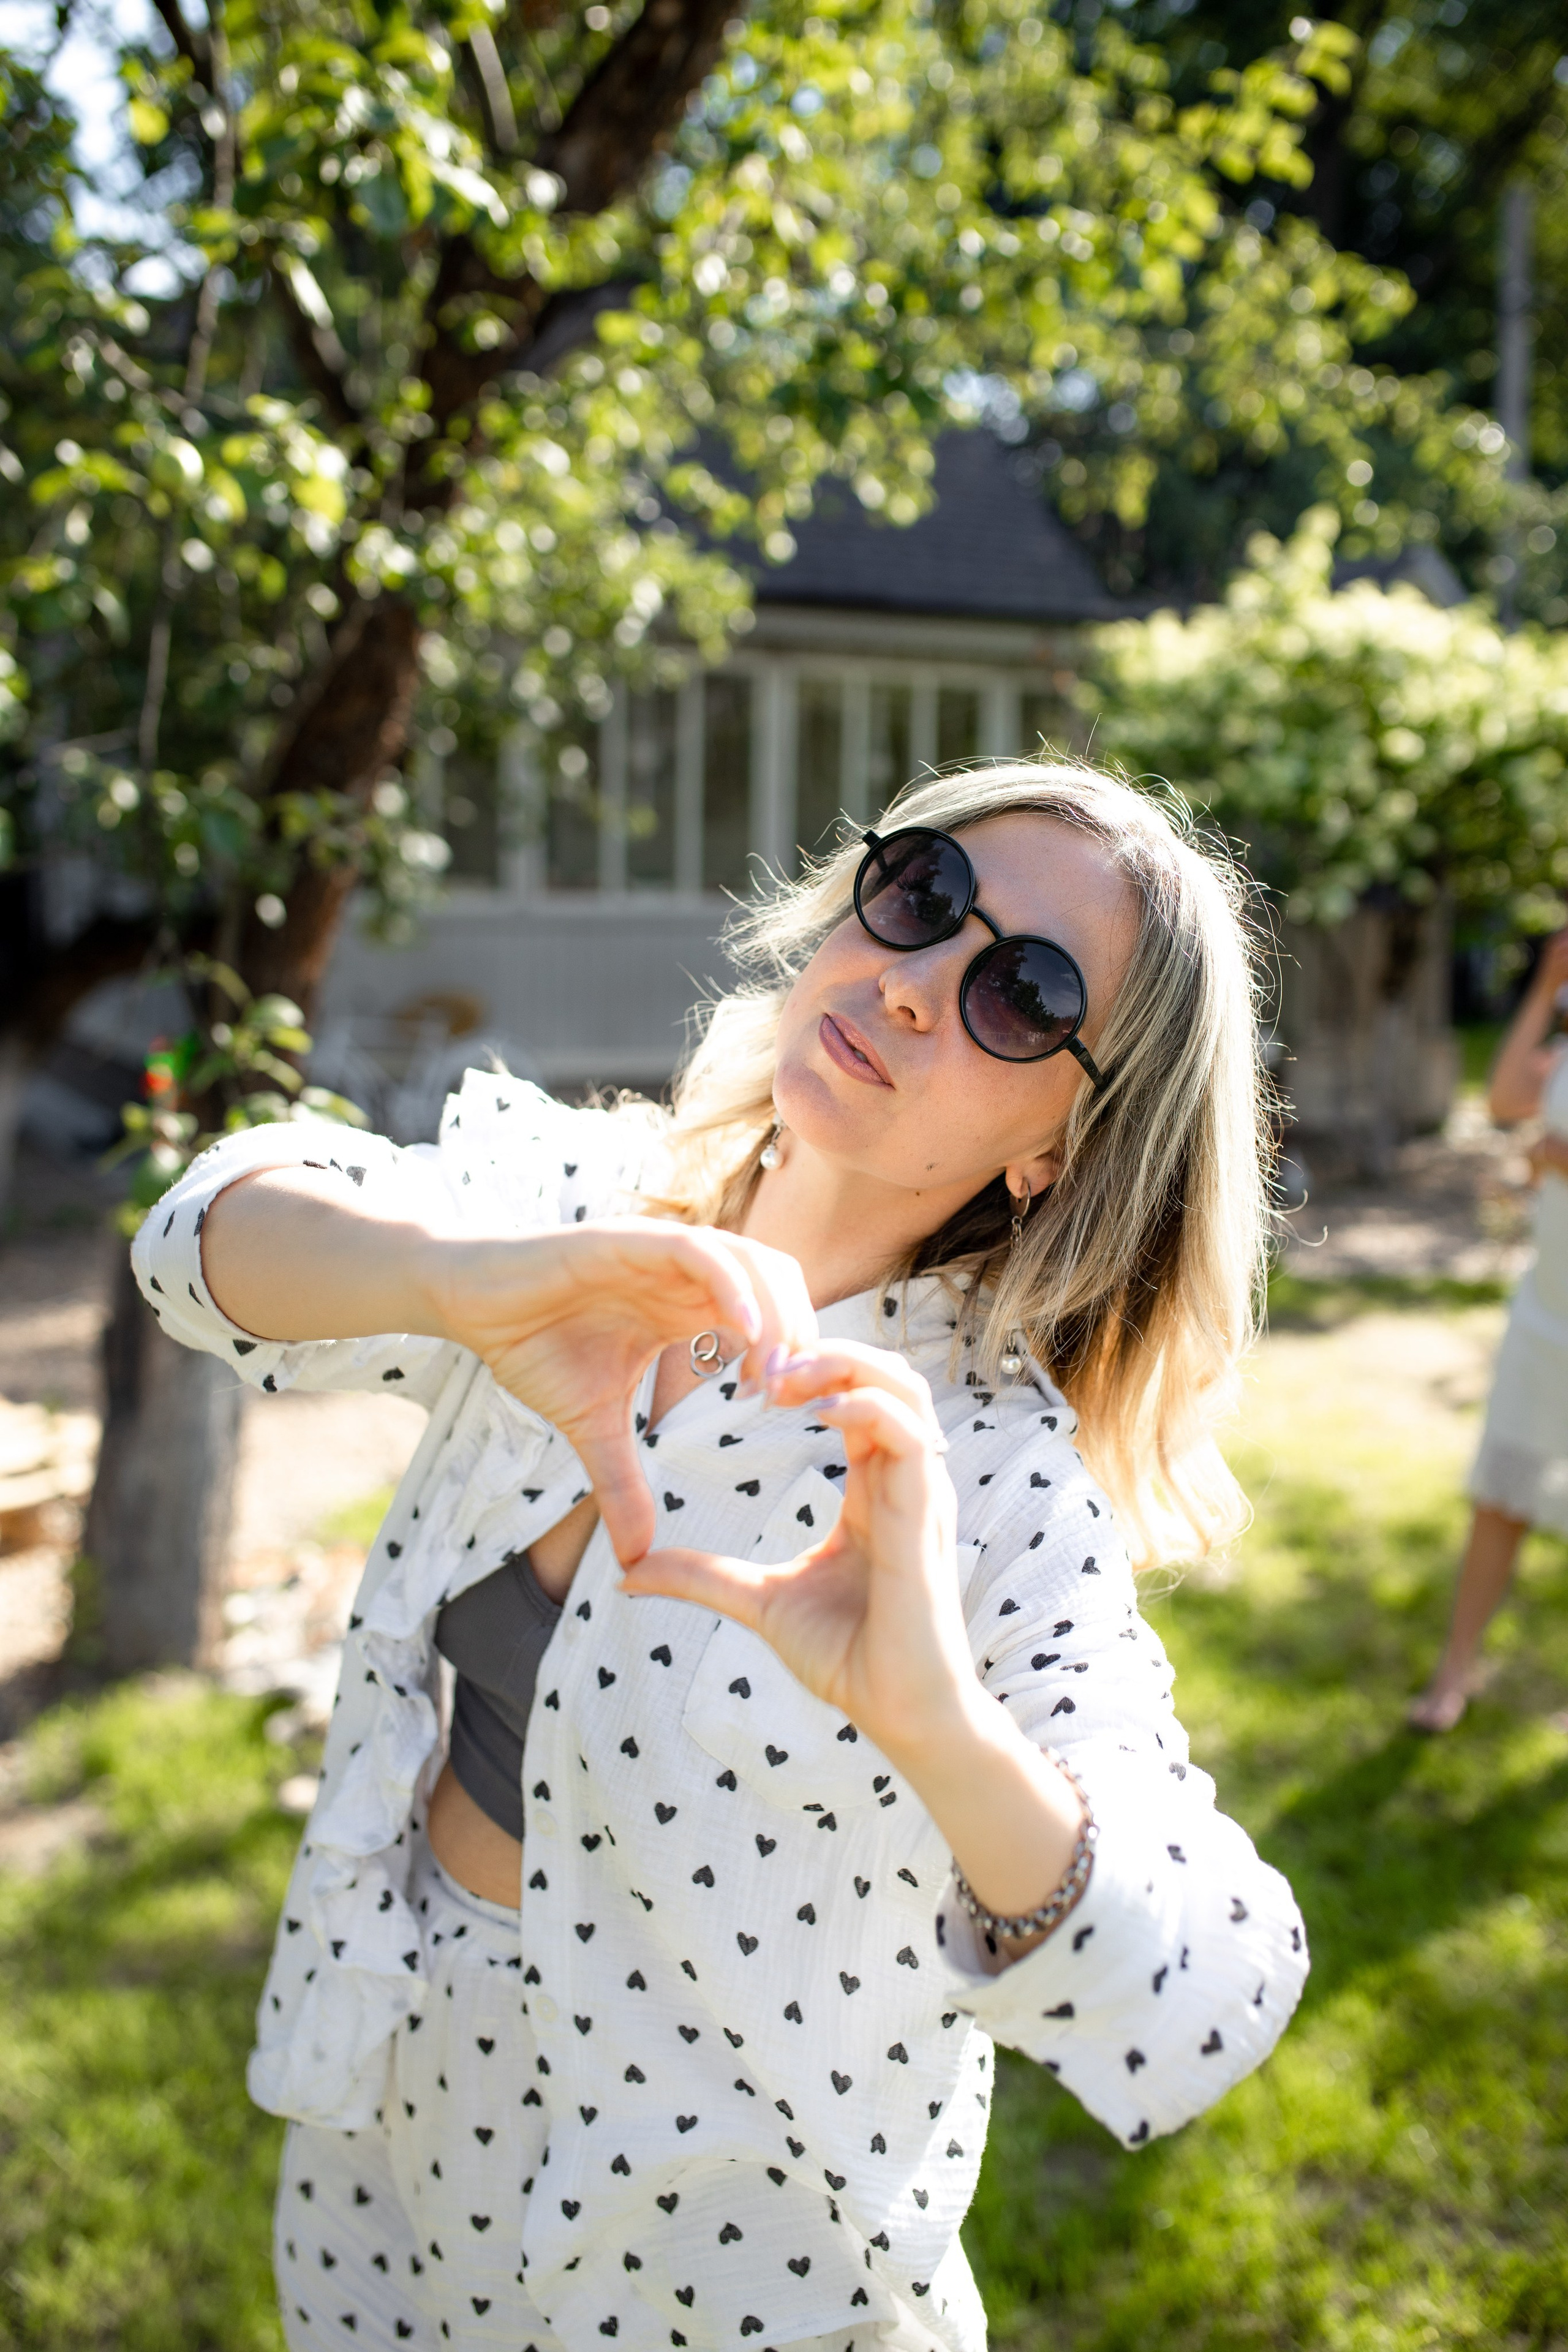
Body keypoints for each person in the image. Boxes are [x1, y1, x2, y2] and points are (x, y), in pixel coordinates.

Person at [134, 763, 1308, 2352]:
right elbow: (194, 1242)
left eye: (1020, 997)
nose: (914, 987)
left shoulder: (981, 1480)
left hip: (724, 2294)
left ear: (1061, 1146)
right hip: (387, 2174)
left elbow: (1208, 1991)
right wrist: (458, 1282)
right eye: (921, 897)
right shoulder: (571, 1214)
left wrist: (940, 1728)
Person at [1410, 928, 1568, 1733]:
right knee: (1500, 1491)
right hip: (1550, 1308)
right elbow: (1507, 1098)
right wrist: (1546, 987)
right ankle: (1454, 1672)